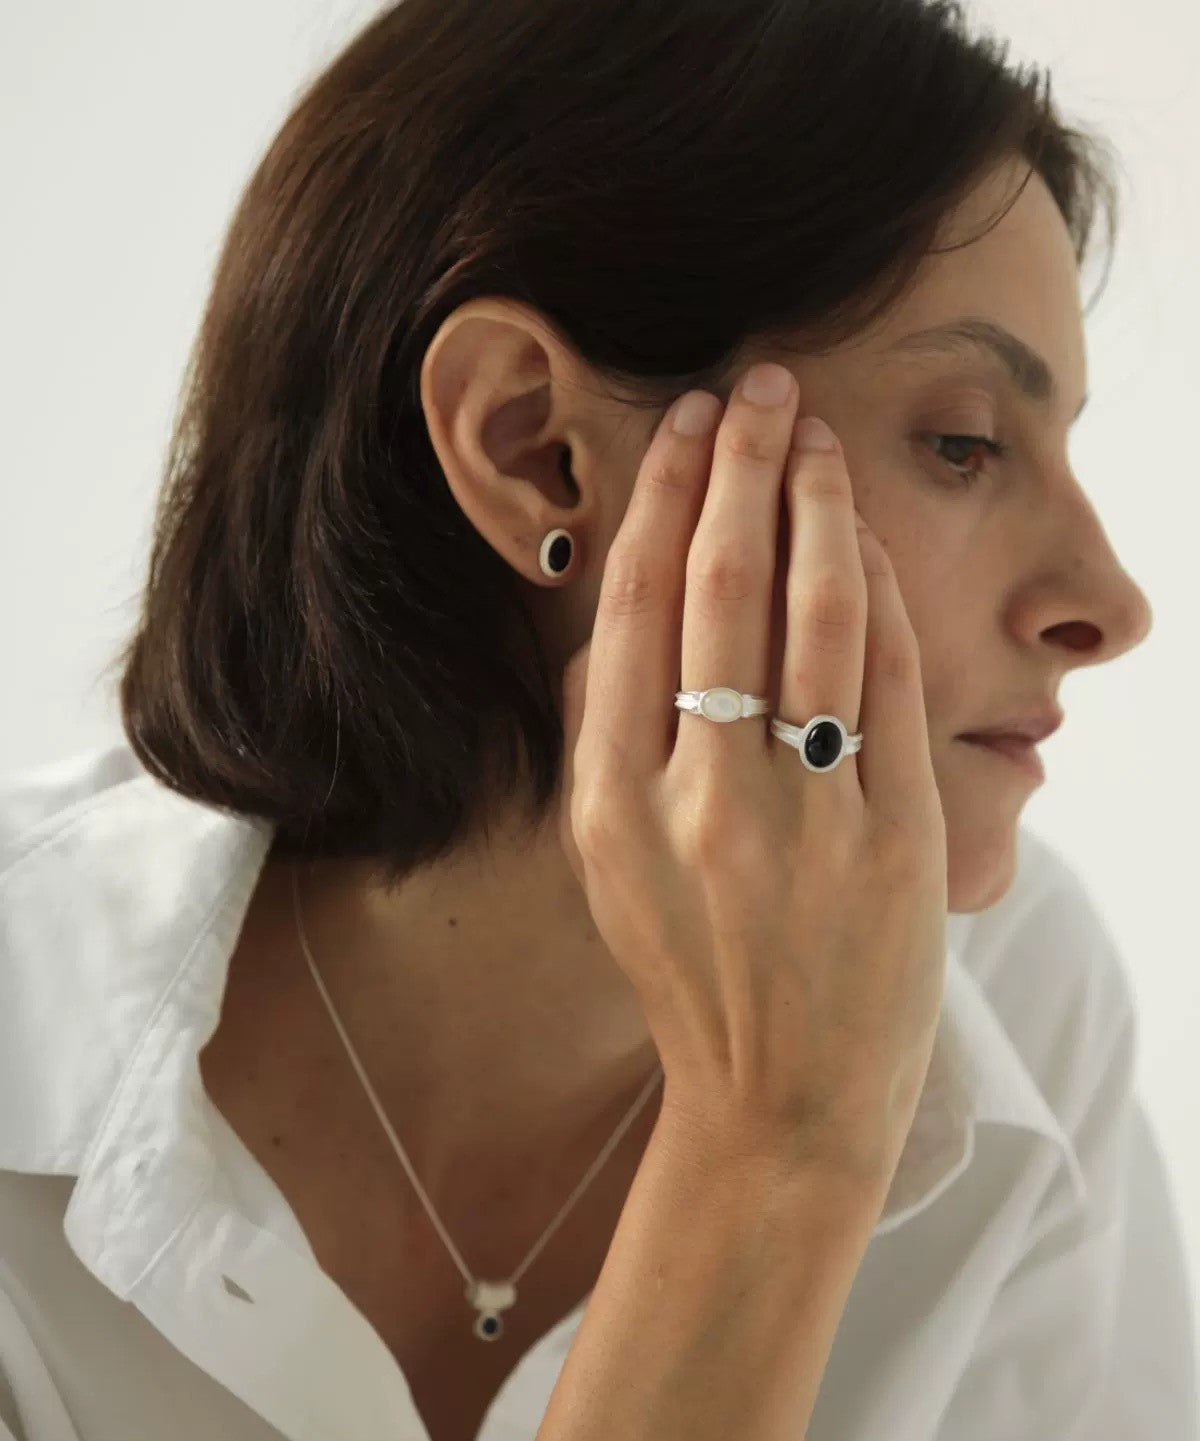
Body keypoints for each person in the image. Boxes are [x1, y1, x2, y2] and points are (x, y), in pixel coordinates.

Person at [0, 0, 1195, 1438]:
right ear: (532, 450)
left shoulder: (1026, 1010)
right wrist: (776, 1154)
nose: (1111, 602)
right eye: (963, 442)